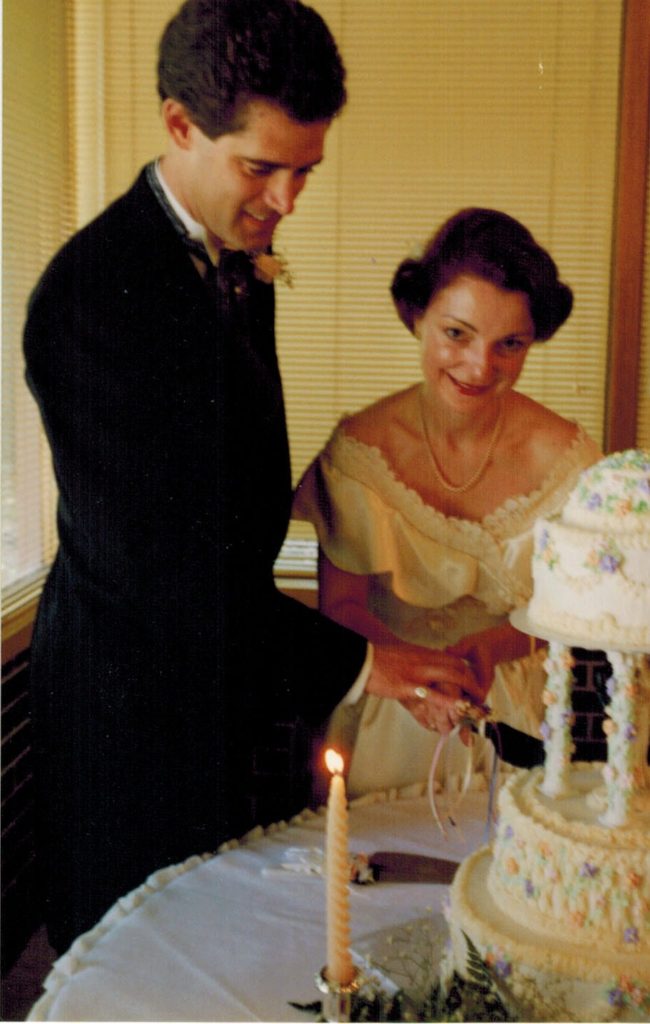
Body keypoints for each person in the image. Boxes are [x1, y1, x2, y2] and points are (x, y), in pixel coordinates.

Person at [23, 0, 477, 953]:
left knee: (227, 937)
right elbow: (157, 569)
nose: (286, 201)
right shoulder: (88, 296)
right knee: (137, 954)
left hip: (223, 672)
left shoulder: (232, 258)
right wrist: (364, 661)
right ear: (179, 125)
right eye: (261, 167)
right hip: (126, 700)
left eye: (306, 170)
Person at [293, 207, 601, 796]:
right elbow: (342, 606)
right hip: (389, 706)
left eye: (509, 344)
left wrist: (498, 643)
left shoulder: (570, 460)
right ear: (417, 316)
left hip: (516, 713)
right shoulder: (361, 450)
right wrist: (417, 679)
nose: (479, 366)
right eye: (456, 334)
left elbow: (576, 611)